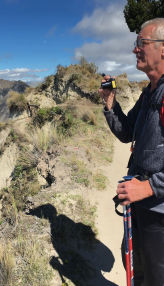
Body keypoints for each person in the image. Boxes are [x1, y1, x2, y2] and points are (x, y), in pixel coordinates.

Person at [99, 18, 164, 286]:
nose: (135, 49)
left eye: (141, 43)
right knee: (135, 269)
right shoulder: (149, 93)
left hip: (159, 214)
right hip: (141, 206)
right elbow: (127, 133)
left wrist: (149, 187)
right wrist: (110, 105)